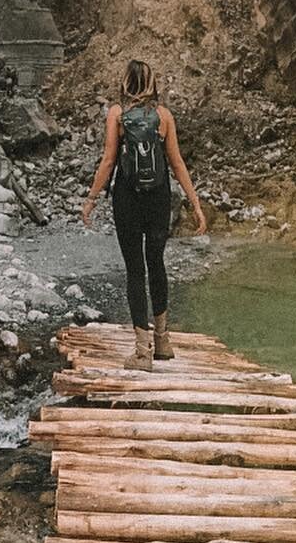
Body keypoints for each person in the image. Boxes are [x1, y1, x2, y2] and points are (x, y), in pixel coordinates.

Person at [80, 59, 207, 367]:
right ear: (152, 83)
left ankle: (141, 352)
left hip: (127, 199)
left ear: (126, 83)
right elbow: (177, 164)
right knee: (157, 264)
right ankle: (163, 342)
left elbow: (109, 161)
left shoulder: (117, 114)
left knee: (136, 271)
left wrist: (92, 199)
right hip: (159, 199)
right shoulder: (164, 116)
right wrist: (196, 204)